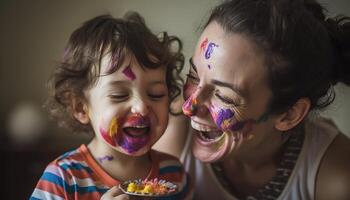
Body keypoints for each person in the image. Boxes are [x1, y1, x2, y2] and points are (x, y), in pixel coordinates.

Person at [157, 0, 350, 199]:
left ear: (289, 115)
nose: (189, 107)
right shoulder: (172, 126)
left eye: (224, 96)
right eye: (194, 75)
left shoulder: (336, 178)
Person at [30, 12, 193, 200]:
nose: (141, 107)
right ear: (81, 108)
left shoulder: (174, 173)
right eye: (119, 95)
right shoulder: (62, 179)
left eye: (156, 95)